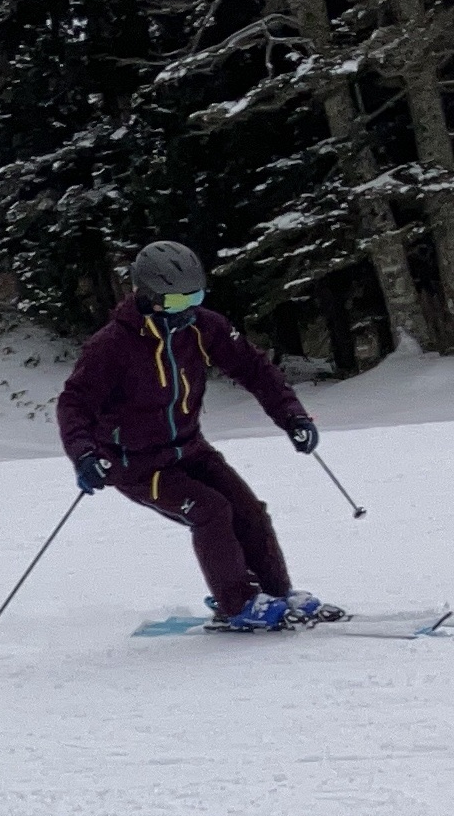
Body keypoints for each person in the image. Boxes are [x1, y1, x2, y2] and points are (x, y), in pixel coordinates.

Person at [56, 241, 324, 631]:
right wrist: (84, 455)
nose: (188, 309)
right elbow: (74, 403)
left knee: (249, 510)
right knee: (211, 511)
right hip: (135, 464)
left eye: (195, 297)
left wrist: (292, 416)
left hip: (190, 448)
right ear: (148, 295)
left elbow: (254, 369)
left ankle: (277, 593)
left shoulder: (202, 326)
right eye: (178, 301)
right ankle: (237, 604)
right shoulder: (112, 346)